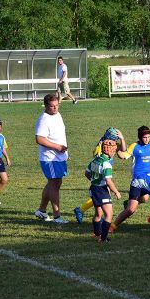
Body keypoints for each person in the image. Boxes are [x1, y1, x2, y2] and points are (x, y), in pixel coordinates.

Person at [110, 125, 150, 231]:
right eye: (145, 137)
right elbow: (123, 156)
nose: (147, 139)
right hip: (138, 180)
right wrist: (118, 147)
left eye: (148, 137)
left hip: (149, 177)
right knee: (131, 210)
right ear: (140, 137)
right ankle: (112, 226)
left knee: (148, 199)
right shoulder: (134, 146)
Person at [73, 127, 127, 223]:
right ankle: (82, 211)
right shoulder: (104, 144)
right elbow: (121, 151)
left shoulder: (107, 142)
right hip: (101, 170)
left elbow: (122, 151)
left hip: (102, 171)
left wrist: (122, 139)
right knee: (103, 196)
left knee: (101, 196)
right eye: (116, 138)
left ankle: (93, 215)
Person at [34, 93, 69, 223]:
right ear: (46, 106)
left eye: (56, 105)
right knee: (54, 184)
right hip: (49, 158)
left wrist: (63, 152)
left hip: (59, 157)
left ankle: (41, 211)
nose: (55, 108)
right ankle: (57, 216)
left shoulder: (57, 115)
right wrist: (57, 147)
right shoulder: (43, 120)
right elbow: (39, 139)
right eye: (52, 106)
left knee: (55, 183)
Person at [85, 139, 121, 243]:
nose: (114, 152)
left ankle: (97, 234)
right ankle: (103, 239)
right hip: (101, 190)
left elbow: (87, 173)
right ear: (110, 151)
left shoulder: (95, 159)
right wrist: (116, 192)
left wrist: (94, 180)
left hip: (93, 188)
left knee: (98, 214)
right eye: (114, 150)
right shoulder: (106, 164)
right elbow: (108, 181)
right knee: (109, 215)